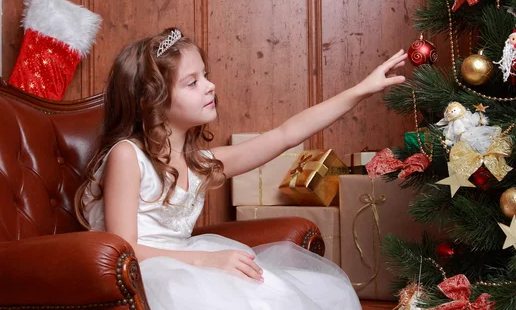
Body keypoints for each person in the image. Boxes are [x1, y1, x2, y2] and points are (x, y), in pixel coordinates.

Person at [75, 27, 407, 309]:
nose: (209, 86)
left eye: (205, 75)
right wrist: (208, 261)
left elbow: (285, 134)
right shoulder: (127, 156)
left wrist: (362, 89)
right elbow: (122, 250)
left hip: (192, 263)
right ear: (152, 101)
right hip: (150, 275)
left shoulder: (200, 165)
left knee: (282, 295)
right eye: (192, 82)